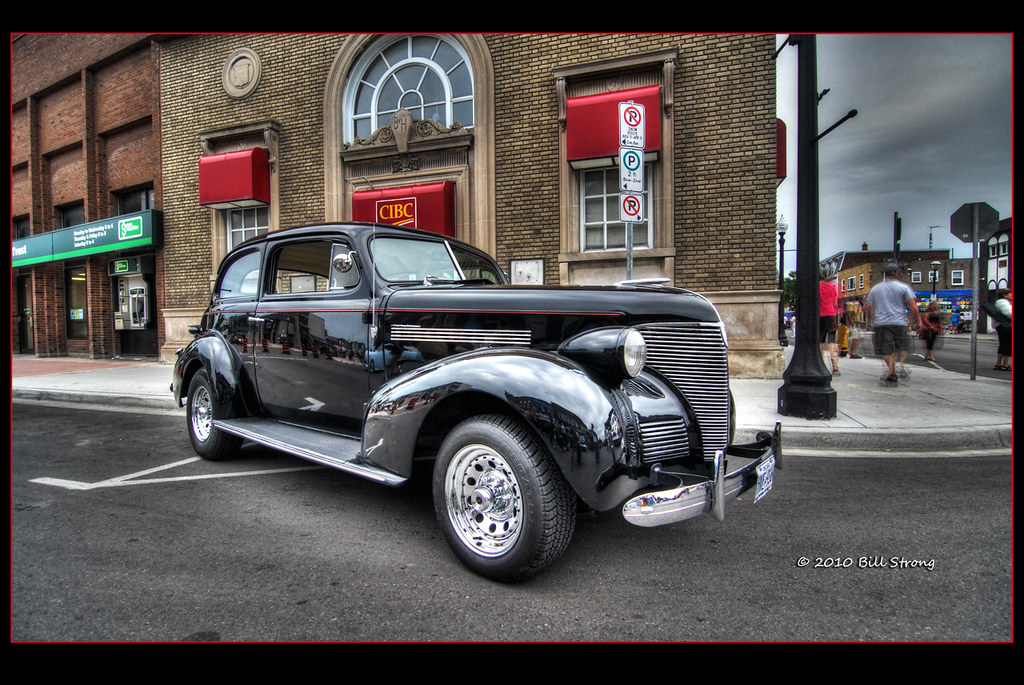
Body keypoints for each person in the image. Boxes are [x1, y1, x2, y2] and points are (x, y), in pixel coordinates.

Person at [866, 263, 922, 385]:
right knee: (904, 347)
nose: (901, 275)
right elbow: (912, 306)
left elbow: (870, 307)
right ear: (894, 273)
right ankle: (898, 366)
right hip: (899, 322)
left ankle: (892, 372)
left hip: (881, 324)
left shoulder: (875, 289)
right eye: (899, 272)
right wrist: (918, 321)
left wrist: (871, 320)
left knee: (887, 350)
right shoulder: (903, 287)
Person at [819, 272, 841, 375]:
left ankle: (820, 365)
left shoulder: (816, 288)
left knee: (820, 341)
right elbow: (835, 304)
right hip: (830, 315)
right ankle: (835, 367)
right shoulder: (832, 288)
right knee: (831, 342)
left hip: (819, 316)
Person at [993, 289, 1012, 371]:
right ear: (1004, 295)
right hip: (1006, 326)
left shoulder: (999, 302)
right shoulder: (1003, 303)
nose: (1011, 295)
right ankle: (1006, 364)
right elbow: (1009, 313)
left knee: (1003, 344)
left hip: (1001, 326)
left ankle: (998, 363)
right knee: (1007, 344)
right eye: (1010, 293)